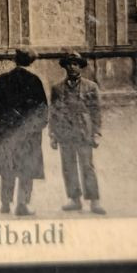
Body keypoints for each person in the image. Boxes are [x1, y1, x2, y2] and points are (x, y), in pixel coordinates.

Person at [0, 48, 48, 216]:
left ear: (15, 59)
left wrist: (5, 121)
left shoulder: (3, 79)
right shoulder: (35, 81)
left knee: (7, 165)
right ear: (31, 61)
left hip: (5, 131)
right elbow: (42, 109)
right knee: (26, 167)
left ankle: (5, 204)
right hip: (28, 133)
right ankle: (22, 204)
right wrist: (34, 126)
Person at [49, 52, 105, 214]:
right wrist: (52, 135)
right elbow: (53, 112)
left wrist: (96, 133)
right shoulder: (57, 88)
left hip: (83, 131)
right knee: (68, 166)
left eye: (75, 64)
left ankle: (94, 201)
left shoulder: (91, 87)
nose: (72, 67)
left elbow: (96, 112)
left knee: (87, 166)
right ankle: (74, 199)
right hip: (65, 132)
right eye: (69, 64)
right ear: (65, 66)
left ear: (80, 66)